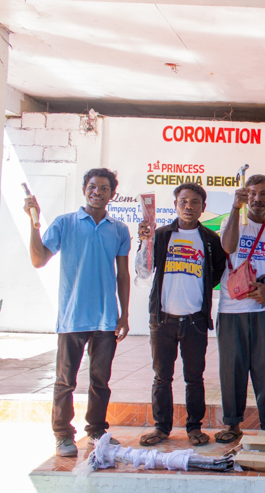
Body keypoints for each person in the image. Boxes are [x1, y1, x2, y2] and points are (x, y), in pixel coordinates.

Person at [23, 168, 131, 457]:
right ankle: (62, 435)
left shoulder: (119, 229)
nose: (97, 192)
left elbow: (123, 275)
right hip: (72, 318)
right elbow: (38, 260)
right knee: (65, 380)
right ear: (85, 189)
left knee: (100, 380)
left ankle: (96, 431)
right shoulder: (65, 224)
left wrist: (124, 314)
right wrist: (33, 224)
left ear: (113, 194)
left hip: (107, 318)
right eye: (93, 186)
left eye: (104, 188)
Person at [137, 183, 225, 447]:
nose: (189, 207)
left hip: (195, 321)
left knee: (194, 378)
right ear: (175, 204)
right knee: (161, 376)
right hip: (162, 319)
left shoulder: (210, 240)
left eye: (195, 202)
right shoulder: (161, 235)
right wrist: (144, 240)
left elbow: (216, 274)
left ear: (203, 207)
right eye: (184, 201)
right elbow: (143, 269)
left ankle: (194, 427)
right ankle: (161, 426)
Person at [214, 175, 265, 443]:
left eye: (263, 194)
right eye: (252, 194)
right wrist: (236, 210)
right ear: (245, 196)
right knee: (232, 369)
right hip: (232, 309)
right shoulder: (232, 221)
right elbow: (228, 246)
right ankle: (232, 424)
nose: (258, 199)